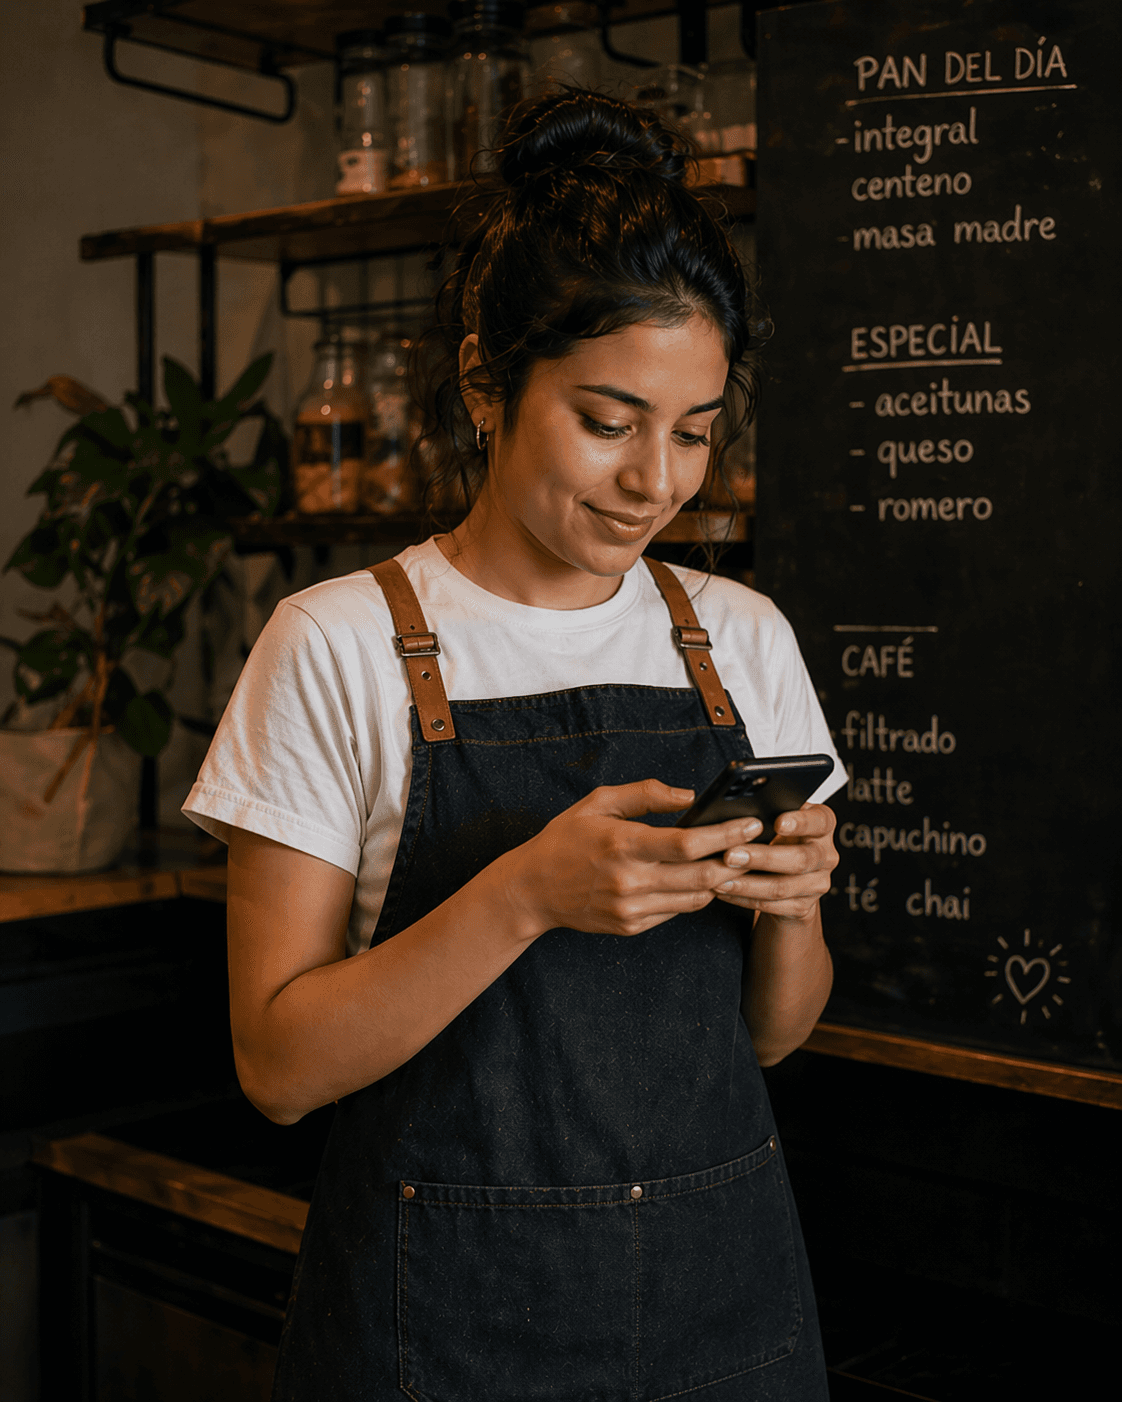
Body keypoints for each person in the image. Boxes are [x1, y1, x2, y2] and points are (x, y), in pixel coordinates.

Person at [185, 89, 844, 1402]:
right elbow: (276, 1065)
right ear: (486, 384)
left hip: (722, 1309)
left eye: (695, 431)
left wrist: (788, 908)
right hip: (449, 1329)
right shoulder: (338, 643)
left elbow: (774, 1037)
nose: (656, 479)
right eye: (608, 421)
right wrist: (527, 894)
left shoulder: (739, 637)